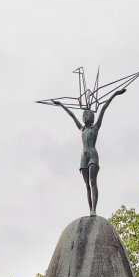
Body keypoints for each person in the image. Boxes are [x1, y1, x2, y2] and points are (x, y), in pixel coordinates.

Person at [51, 87, 126, 215]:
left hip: (92, 156)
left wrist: (115, 94)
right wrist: (61, 105)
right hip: (83, 158)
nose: (84, 116)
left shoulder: (96, 127)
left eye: (86, 114)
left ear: (91, 116)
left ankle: (94, 210)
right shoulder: (81, 129)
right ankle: (90, 208)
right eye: (83, 115)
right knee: (86, 185)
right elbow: (71, 115)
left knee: (92, 182)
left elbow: (104, 107)